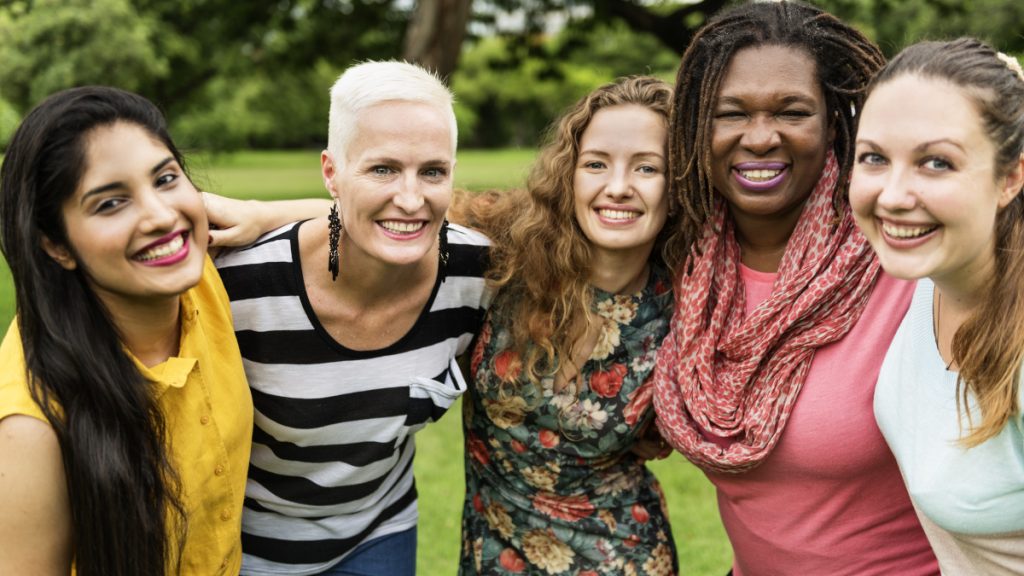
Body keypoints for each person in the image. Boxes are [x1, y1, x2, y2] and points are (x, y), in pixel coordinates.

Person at [650, 2, 939, 574]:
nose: (760, 138)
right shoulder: (682, 265)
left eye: (792, 111)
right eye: (730, 113)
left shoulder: (905, 264)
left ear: (834, 121)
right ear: (694, 126)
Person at [213, 61, 490, 575]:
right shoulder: (240, 287)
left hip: (380, 533)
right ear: (331, 172)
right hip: (249, 547)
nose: (411, 198)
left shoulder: (475, 274)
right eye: (382, 168)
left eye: (432, 171)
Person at [0, 86, 253, 575]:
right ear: (56, 246)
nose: (161, 216)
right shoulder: (28, 429)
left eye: (165, 178)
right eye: (111, 203)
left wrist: (264, 214)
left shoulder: (198, 274)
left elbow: (363, 220)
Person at [454, 76, 677, 575]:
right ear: (569, 174)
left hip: (624, 555)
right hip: (495, 553)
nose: (617, 187)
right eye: (596, 163)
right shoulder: (507, 249)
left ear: (678, 184)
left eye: (647, 167)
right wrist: (260, 215)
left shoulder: (687, 303)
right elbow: (385, 221)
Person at [850, 38, 1024, 574]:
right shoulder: (930, 275)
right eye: (874, 157)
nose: (894, 194)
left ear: (1011, 177)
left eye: (936, 162)